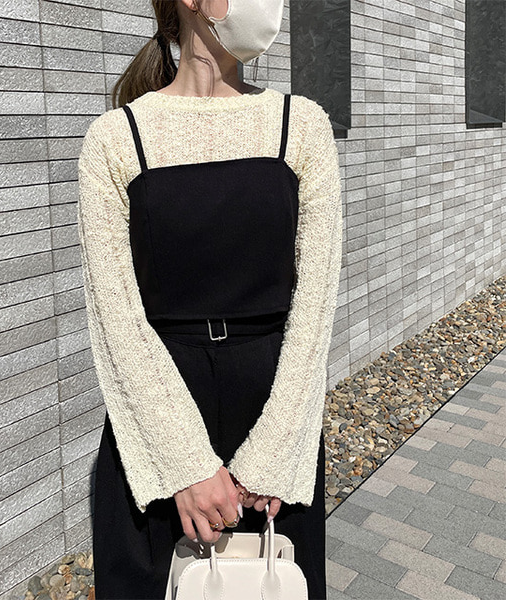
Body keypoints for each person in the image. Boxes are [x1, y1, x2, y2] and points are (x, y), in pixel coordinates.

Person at [76, 1, 343, 598]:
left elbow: (316, 304)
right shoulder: (116, 140)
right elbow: (114, 316)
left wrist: (275, 451)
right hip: (155, 417)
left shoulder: (300, 125)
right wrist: (184, 464)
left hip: (275, 415)